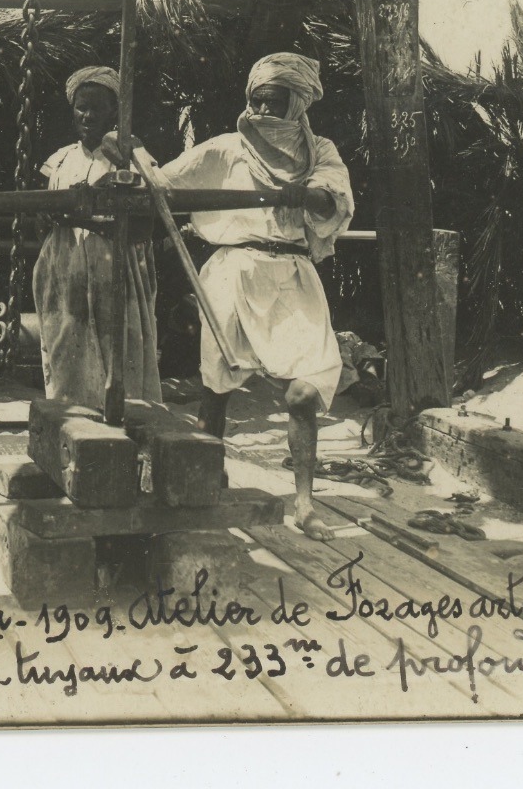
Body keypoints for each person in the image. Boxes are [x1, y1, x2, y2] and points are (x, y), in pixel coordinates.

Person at [106, 53, 354, 540]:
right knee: (217, 387)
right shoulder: (225, 149)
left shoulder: (319, 150)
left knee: (304, 392)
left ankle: (304, 503)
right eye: (255, 101)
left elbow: (334, 198)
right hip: (232, 272)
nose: (261, 111)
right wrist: (134, 155)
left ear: (297, 104)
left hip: (292, 274)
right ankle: (207, 477)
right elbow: (165, 184)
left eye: (273, 103)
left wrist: (304, 195)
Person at [31, 66, 163, 410]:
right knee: (66, 344)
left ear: (114, 112)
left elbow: (147, 222)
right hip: (65, 265)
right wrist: (47, 215)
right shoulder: (59, 161)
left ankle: (122, 420)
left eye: (97, 108)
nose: (87, 115)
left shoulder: (133, 157)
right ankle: (69, 418)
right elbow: (42, 221)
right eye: (81, 107)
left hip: (114, 264)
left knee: (117, 345)